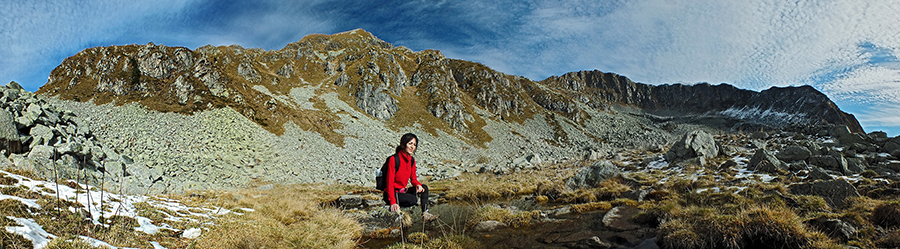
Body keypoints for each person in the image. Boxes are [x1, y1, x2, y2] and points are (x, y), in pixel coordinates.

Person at [383, 133, 437, 221]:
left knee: (424, 188)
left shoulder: (411, 160)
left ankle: (425, 214)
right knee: (413, 200)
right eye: (410, 143)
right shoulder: (394, 159)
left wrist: (418, 185)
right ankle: (399, 202)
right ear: (404, 144)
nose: (412, 147)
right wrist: (393, 202)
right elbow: (389, 183)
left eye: (414, 145)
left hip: (402, 191)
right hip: (392, 193)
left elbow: (413, 179)